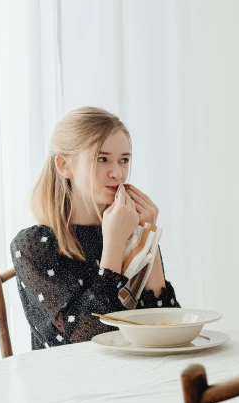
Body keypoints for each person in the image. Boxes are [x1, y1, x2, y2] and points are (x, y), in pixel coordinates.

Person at [11, 107, 180, 349]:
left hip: (137, 377)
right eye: (102, 159)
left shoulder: (128, 229)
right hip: (68, 383)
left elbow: (167, 328)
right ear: (64, 166)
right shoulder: (33, 245)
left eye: (124, 160)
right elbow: (83, 340)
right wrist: (113, 243)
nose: (118, 173)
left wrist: (147, 239)